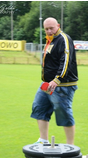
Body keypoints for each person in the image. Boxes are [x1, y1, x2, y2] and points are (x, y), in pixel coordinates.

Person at [30, 17, 78, 145]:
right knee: (39, 107)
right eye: (46, 29)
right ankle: (43, 140)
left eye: (51, 28)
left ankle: (70, 145)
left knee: (64, 113)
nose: (49, 31)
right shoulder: (50, 40)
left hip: (62, 85)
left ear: (58, 25)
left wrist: (57, 80)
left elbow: (66, 61)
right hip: (47, 84)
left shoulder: (63, 39)